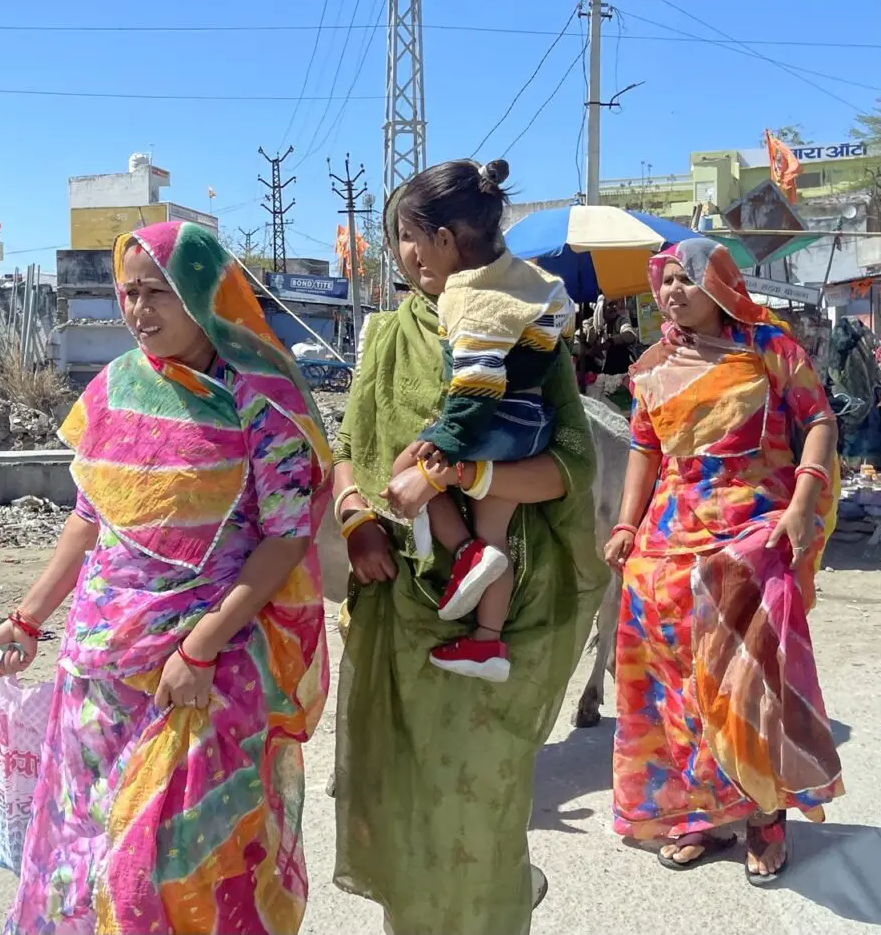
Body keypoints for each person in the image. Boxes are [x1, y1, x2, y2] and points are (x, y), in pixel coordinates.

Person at [0, 220, 332, 935]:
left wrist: (201, 646)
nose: (138, 311)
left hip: (207, 669)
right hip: (99, 669)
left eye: (157, 293)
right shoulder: (116, 391)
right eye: (128, 293)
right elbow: (89, 521)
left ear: (202, 294)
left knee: (169, 871)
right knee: (83, 859)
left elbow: (285, 538)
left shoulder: (260, 402)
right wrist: (27, 617)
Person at [332, 180, 609, 935]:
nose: (408, 254)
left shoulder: (520, 326)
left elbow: (572, 465)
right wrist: (355, 517)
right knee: (406, 803)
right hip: (402, 611)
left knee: (479, 808)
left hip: (501, 620)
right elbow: (352, 450)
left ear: (455, 234)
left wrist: (462, 473)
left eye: (415, 235)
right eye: (399, 239)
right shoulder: (388, 336)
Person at [604, 237, 844, 884]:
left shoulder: (770, 348)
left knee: (751, 683)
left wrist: (802, 501)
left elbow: (818, 420)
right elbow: (644, 449)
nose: (672, 291)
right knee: (672, 683)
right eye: (664, 281)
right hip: (667, 537)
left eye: (686, 278)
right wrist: (628, 522)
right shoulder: (655, 364)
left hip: (753, 524)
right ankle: (698, 812)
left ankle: (766, 815)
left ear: (719, 282)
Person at [382, 158, 575, 683]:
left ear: (443, 239)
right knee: (496, 537)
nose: (407, 252)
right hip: (530, 417)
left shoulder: (467, 299)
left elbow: (476, 384)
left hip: (494, 421)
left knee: (409, 466)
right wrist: (534, 349)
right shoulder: (528, 276)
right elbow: (561, 314)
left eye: (409, 236)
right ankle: (487, 643)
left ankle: (459, 551)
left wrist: (438, 458)